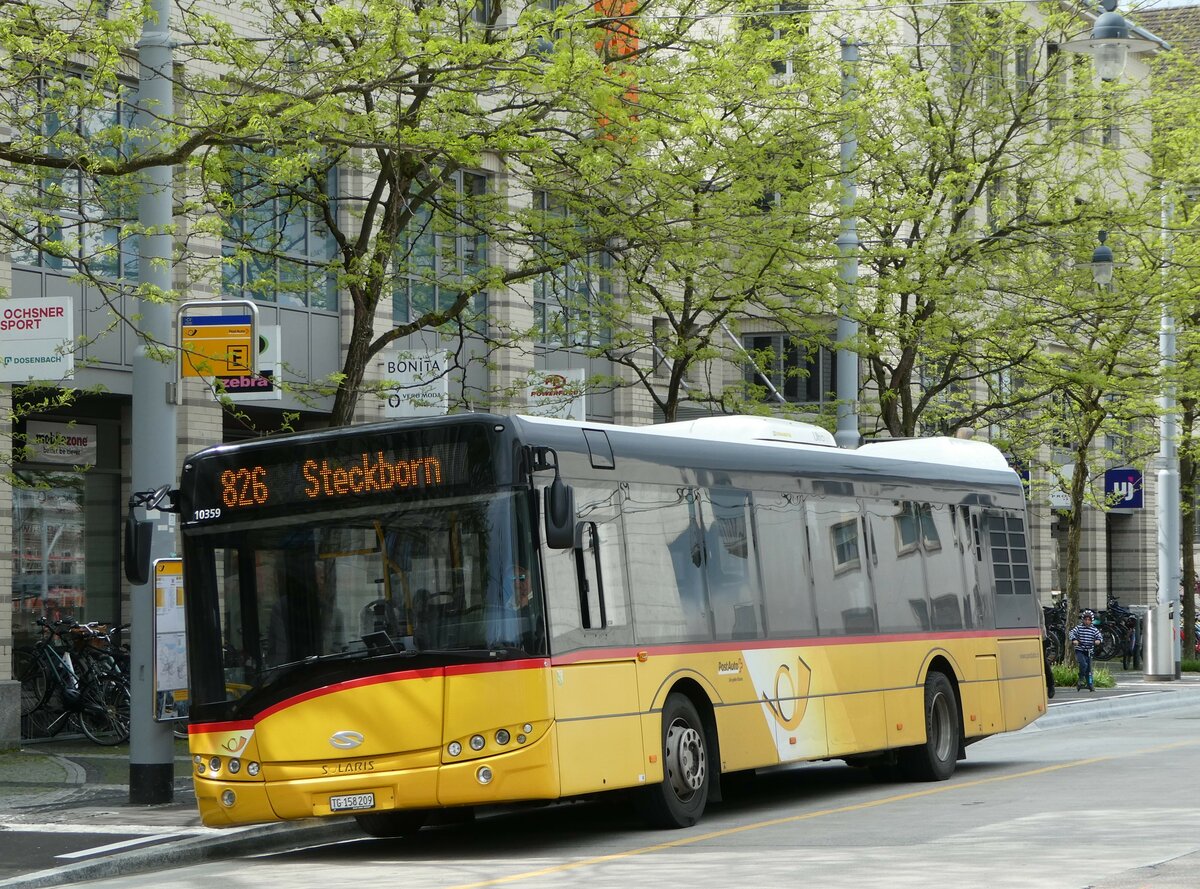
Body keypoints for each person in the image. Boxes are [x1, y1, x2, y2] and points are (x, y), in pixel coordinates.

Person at [1068, 609, 1103, 691]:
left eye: (1089, 620)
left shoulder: (1094, 629)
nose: (1087, 621)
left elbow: (1100, 636)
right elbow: (1071, 633)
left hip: (1089, 651)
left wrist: (1098, 641)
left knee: (1089, 669)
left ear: (1091, 621)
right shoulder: (1079, 628)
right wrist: (1074, 640)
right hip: (1080, 650)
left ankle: (1090, 683)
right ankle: (1081, 679)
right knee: (1083, 664)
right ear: (1083, 620)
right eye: (1085, 619)